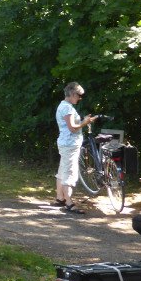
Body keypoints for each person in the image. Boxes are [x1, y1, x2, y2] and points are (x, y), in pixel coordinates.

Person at [55, 82, 96, 215]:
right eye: (79, 95)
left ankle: (60, 197)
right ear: (72, 94)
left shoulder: (64, 106)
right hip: (69, 145)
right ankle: (69, 203)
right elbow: (72, 128)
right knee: (70, 172)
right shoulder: (67, 108)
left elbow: (71, 125)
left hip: (66, 143)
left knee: (63, 170)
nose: (80, 98)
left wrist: (83, 120)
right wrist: (85, 122)